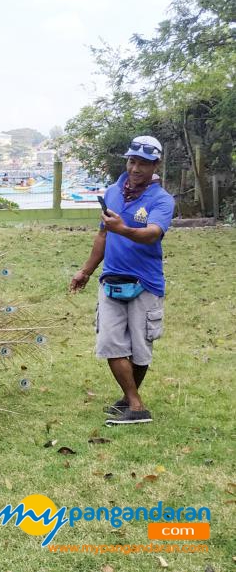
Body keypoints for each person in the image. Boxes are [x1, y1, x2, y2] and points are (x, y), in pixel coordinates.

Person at [69, 135, 174, 426]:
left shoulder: (162, 200)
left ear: (156, 165)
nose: (136, 168)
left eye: (143, 163)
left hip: (146, 282)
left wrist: (123, 229)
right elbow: (103, 234)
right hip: (111, 279)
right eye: (132, 161)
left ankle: (130, 400)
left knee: (140, 350)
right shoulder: (113, 192)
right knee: (111, 343)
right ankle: (136, 405)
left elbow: (152, 233)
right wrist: (86, 271)